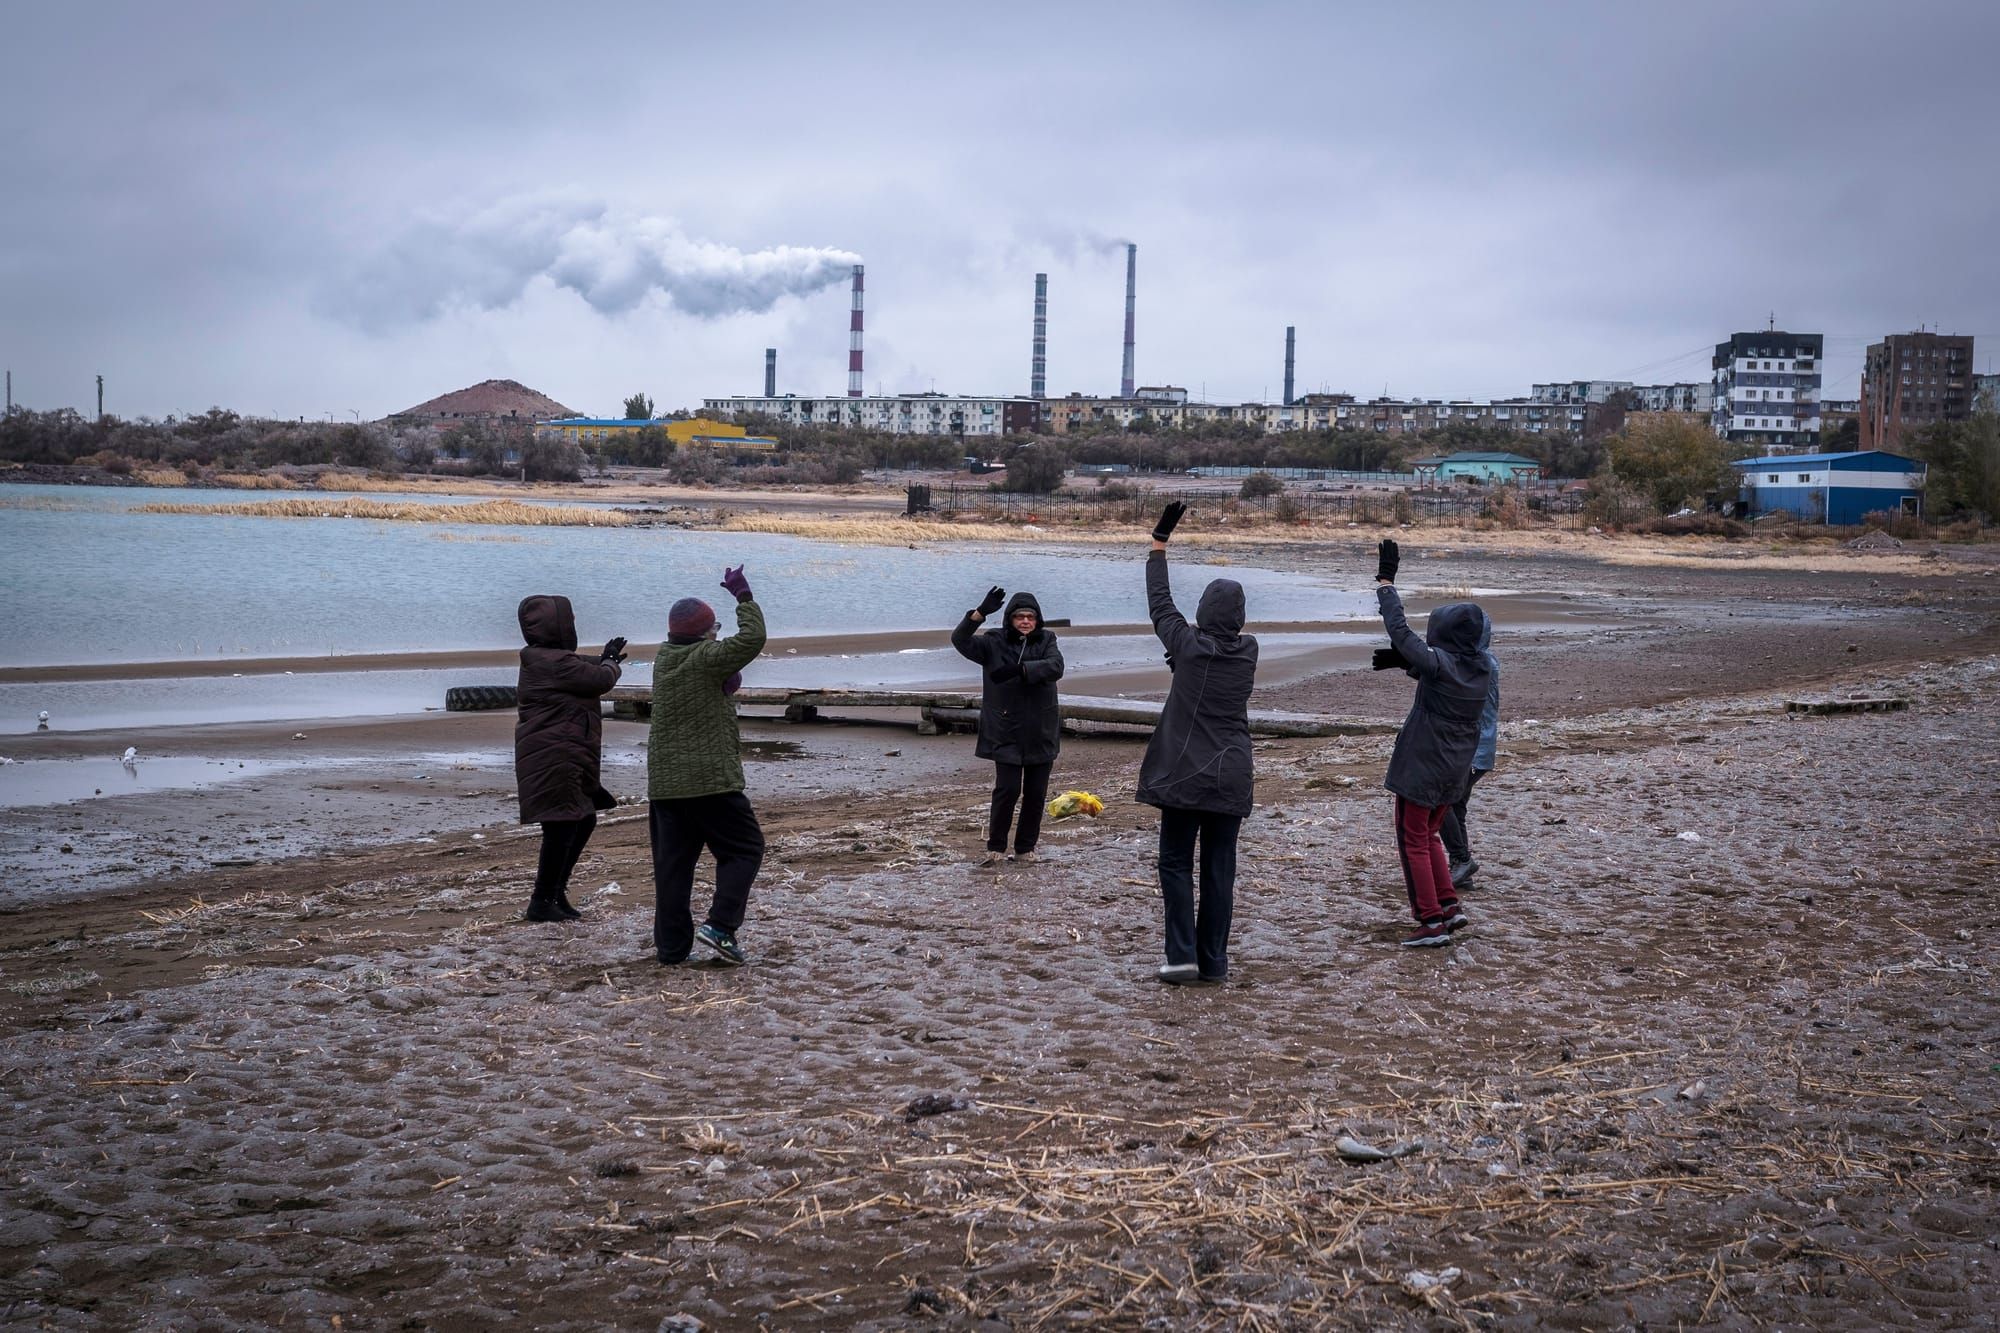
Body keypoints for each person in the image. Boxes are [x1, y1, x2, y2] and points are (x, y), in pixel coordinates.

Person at [1136, 501, 1259, 984]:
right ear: (1239, 617)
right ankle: (1214, 963)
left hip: (1186, 771)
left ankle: (1182, 956)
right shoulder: (1248, 651)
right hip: (1232, 774)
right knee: (1218, 872)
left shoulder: (1187, 645)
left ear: (1204, 611)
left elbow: (1160, 603)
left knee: (1174, 863)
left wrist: (1158, 545)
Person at [1373, 538, 1492, 947]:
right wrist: (1410, 664)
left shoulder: (1441, 664)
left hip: (1424, 765)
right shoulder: (1480, 669)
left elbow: (1400, 632)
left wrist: (1386, 584)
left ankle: (1430, 921)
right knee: (1430, 836)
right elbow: (1436, 670)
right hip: (1453, 769)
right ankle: (1448, 906)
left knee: (1413, 839)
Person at [647, 565, 766, 966]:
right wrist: (744, 598)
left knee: (673, 868)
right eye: (713, 627)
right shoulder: (705, 655)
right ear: (702, 632)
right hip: (710, 781)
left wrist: (724, 670)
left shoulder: (665, 658)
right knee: (745, 849)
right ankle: (720, 926)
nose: (717, 632)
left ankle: (671, 948)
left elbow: (714, 674)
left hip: (667, 785)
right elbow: (753, 638)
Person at [513, 595, 626, 924]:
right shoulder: (553, 663)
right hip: (555, 755)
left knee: (581, 818)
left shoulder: (544, 658)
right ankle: (542, 899)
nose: (573, 625)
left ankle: (554, 892)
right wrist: (610, 663)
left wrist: (605, 658)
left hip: (562, 753)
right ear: (557, 626)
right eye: (570, 620)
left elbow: (582, 666)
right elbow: (600, 680)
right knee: (562, 825)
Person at [951, 586, 1066, 866]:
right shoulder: (992, 642)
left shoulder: (1048, 640)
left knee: (1036, 794)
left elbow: (1056, 667)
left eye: (1030, 617)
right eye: (1019, 617)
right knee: (1007, 790)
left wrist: (1022, 669)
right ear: (1009, 619)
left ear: (1038, 620)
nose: (1025, 621)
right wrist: (979, 614)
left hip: (1041, 729)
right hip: (1006, 728)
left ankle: (1026, 848)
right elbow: (959, 640)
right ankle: (996, 847)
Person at [1439, 614, 1498, 888]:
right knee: (1457, 806)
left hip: (1473, 749)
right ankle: (1461, 870)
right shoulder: (1482, 661)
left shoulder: (1480, 664)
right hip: (1478, 749)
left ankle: (1462, 860)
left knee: (1442, 802)